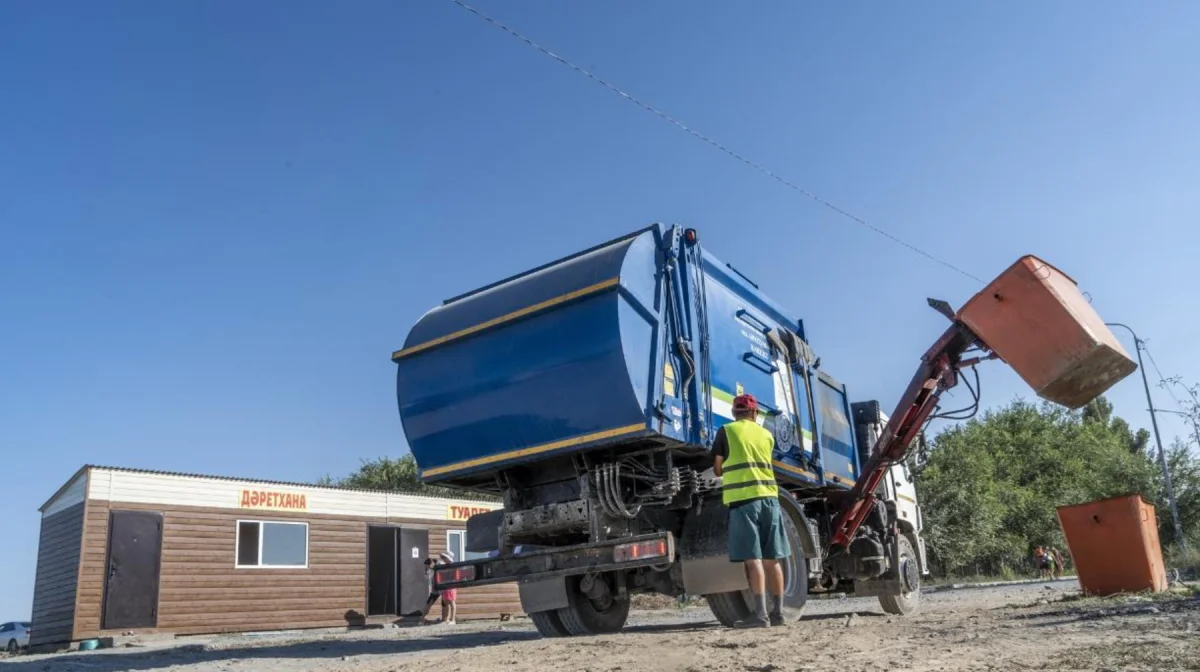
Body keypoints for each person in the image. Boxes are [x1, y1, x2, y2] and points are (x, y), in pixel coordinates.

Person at [712, 393, 789, 628]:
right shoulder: (767, 435)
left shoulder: (727, 431)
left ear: (734, 413)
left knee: (753, 559)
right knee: (772, 559)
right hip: (769, 500)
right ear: (755, 413)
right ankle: (778, 614)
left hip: (744, 501)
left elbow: (717, 469)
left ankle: (760, 615)